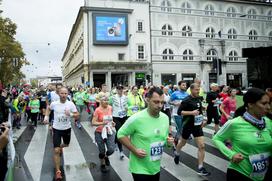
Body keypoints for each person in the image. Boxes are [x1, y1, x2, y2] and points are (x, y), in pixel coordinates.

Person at [213, 88, 272, 181]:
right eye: (264, 103)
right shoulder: (234, 123)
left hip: (263, 174)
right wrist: (231, 154)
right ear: (250, 104)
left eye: (269, 103)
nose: (268, 107)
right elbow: (217, 138)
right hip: (240, 173)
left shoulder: (268, 122)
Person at [117, 87, 174, 181]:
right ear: (147, 100)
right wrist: (134, 150)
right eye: (156, 102)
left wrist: (169, 142)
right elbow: (120, 134)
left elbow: (164, 141)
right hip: (139, 168)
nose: (160, 105)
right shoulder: (136, 118)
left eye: (162, 102)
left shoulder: (165, 118)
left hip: (155, 167)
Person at [174, 83, 210, 176]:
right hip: (188, 125)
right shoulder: (186, 100)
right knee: (183, 142)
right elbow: (179, 112)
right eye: (196, 90)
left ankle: (200, 167)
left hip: (197, 125)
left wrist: (202, 112)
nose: (198, 91)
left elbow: (199, 109)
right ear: (191, 90)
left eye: (199, 90)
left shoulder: (199, 98)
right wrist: (191, 112)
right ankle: (177, 152)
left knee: (201, 146)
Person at [43, 87, 79, 180]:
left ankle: (61, 147)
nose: (63, 95)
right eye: (62, 93)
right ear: (59, 94)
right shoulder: (54, 103)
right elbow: (48, 108)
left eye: (65, 93)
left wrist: (70, 114)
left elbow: (77, 115)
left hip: (67, 129)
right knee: (56, 150)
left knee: (66, 144)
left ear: (68, 94)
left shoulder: (70, 104)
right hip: (57, 129)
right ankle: (58, 171)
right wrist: (46, 117)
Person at [91, 93, 116, 173]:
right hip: (99, 132)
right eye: (104, 100)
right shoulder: (97, 110)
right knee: (101, 151)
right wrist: (102, 123)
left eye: (107, 100)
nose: (106, 101)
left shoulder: (110, 108)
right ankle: (103, 165)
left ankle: (106, 156)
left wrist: (113, 123)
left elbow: (110, 119)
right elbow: (93, 122)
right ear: (101, 101)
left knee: (111, 149)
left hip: (109, 131)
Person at [109, 85, 128, 160]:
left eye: (121, 89)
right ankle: (121, 151)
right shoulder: (113, 97)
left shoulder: (126, 97)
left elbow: (129, 105)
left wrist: (127, 107)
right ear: (116, 90)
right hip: (116, 116)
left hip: (124, 116)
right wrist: (110, 115)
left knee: (120, 132)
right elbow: (109, 106)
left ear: (123, 90)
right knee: (119, 131)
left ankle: (115, 141)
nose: (120, 90)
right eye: (118, 89)